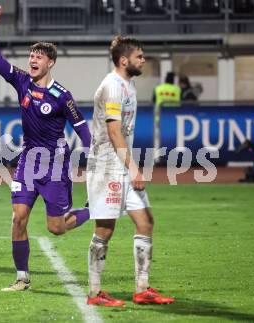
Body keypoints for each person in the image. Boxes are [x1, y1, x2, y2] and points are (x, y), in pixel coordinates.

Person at [0, 6, 92, 291]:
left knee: (56, 228)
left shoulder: (62, 96)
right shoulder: (22, 81)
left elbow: (80, 126)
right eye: (31, 56)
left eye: (38, 57)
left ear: (50, 63)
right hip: (28, 162)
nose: (32, 59)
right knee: (18, 218)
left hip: (55, 166)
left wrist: (90, 152)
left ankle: (92, 210)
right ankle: (22, 277)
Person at [86, 36, 175, 306]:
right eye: (139, 55)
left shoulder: (128, 85)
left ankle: (142, 289)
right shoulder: (113, 86)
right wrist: (134, 169)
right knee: (105, 228)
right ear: (124, 60)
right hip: (106, 166)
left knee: (145, 222)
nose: (143, 59)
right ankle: (94, 293)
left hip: (120, 166)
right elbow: (114, 132)